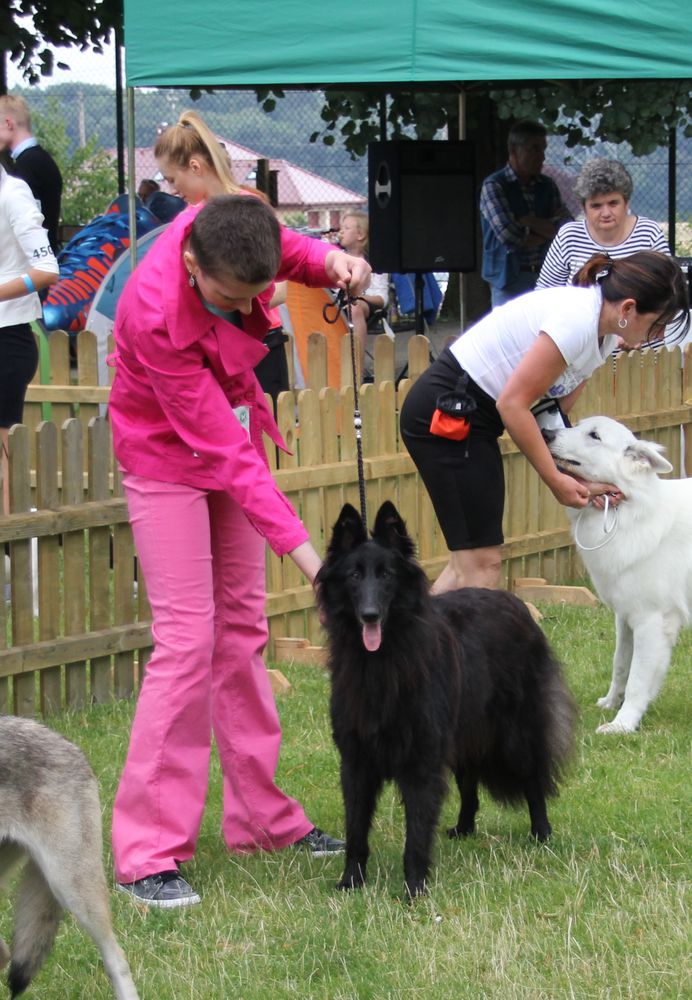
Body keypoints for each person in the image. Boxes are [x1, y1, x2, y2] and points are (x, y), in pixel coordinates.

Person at [108, 193, 371, 908]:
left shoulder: (239, 226)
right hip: (164, 457)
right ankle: (146, 853)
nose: (243, 308)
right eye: (229, 299)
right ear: (192, 264)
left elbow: (297, 252)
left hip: (227, 432)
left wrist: (334, 260)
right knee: (188, 641)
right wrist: (317, 567)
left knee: (243, 632)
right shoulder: (154, 314)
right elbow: (232, 462)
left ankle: (263, 820)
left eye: (256, 298)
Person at [400, 251, 689, 595]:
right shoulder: (577, 322)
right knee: (482, 562)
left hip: (477, 417)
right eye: (657, 323)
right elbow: (513, 405)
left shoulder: (604, 335)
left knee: (469, 561)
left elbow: (551, 414)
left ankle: (414, 648)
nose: (658, 334)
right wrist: (555, 479)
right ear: (628, 309)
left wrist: (576, 476)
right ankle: (467, 649)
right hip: (448, 415)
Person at [155, 109, 290, 404]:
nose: (172, 190)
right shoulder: (190, 219)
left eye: (171, 179)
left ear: (194, 166)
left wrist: (232, 299)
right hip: (212, 348)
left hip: (258, 343)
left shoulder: (250, 208)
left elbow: (281, 289)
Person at [0, 165, 59, 514]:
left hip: (7, 339)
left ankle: (10, 553)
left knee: (3, 459)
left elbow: (47, 270)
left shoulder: (13, 194)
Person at [537, 158, 671, 288]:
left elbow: (669, 287)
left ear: (626, 203)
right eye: (596, 206)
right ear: (584, 208)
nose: (606, 213)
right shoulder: (569, 236)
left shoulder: (648, 233)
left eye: (613, 203)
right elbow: (545, 292)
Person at [480, 120, 571, 307]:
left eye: (543, 150)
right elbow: (510, 236)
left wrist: (528, 221)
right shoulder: (494, 186)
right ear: (514, 151)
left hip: (547, 276)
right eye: (534, 149)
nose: (542, 157)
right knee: (510, 335)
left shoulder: (547, 185)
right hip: (508, 281)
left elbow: (566, 229)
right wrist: (547, 229)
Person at [0, 95, 63, 254]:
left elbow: (25, 225)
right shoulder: (38, 160)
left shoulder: (28, 166)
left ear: (8, 124)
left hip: (32, 265)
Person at [336, 210, 389, 370]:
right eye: (341, 228)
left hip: (365, 304)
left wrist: (358, 297)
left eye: (346, 228)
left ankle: (356, 368)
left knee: (355, 308)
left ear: (360, 235)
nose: (341, 231)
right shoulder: (336, 258)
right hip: (338, 304)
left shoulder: (375, 262)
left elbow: (382, 298)